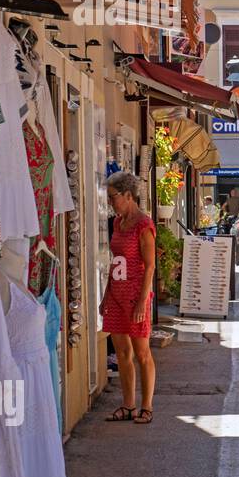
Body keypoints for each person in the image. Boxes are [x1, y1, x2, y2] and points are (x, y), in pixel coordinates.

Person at [100, 172, 157, 424]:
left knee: (142, 352)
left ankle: (146, 406)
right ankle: (128, 405)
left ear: (128, 195)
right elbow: (114, 263)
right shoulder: (116, 223)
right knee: (122, 352)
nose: (111, 202)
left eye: (113, 197)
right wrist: (105, 296)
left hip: (135, 295)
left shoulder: (144, 225)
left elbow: (150, 266)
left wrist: (142, 302)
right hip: (115, 295)